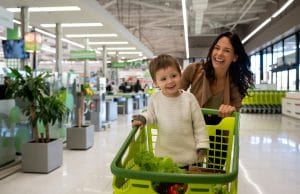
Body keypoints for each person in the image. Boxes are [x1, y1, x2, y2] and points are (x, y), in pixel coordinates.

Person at [132, 54, 209, 167]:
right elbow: (151, 115)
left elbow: (199, 125)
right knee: (165, 185)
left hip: (190, 158)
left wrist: (202, 144)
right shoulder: (155, 99)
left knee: (189, 185)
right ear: (156, 82)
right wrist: (143, 118)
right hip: (164, 159)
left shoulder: (189, 98)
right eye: (163, 79)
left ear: (180, 75)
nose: (170, 81)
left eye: (173, 76)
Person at [181, 31, 254, 119]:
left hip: (219, 130)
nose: (219, 53)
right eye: (217, 48)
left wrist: (231, 109)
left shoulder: (235, 82)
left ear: (234, 57)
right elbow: (175, 94)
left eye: (226, 50)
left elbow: (236, 108)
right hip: (194, 128)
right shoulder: (194, 70)